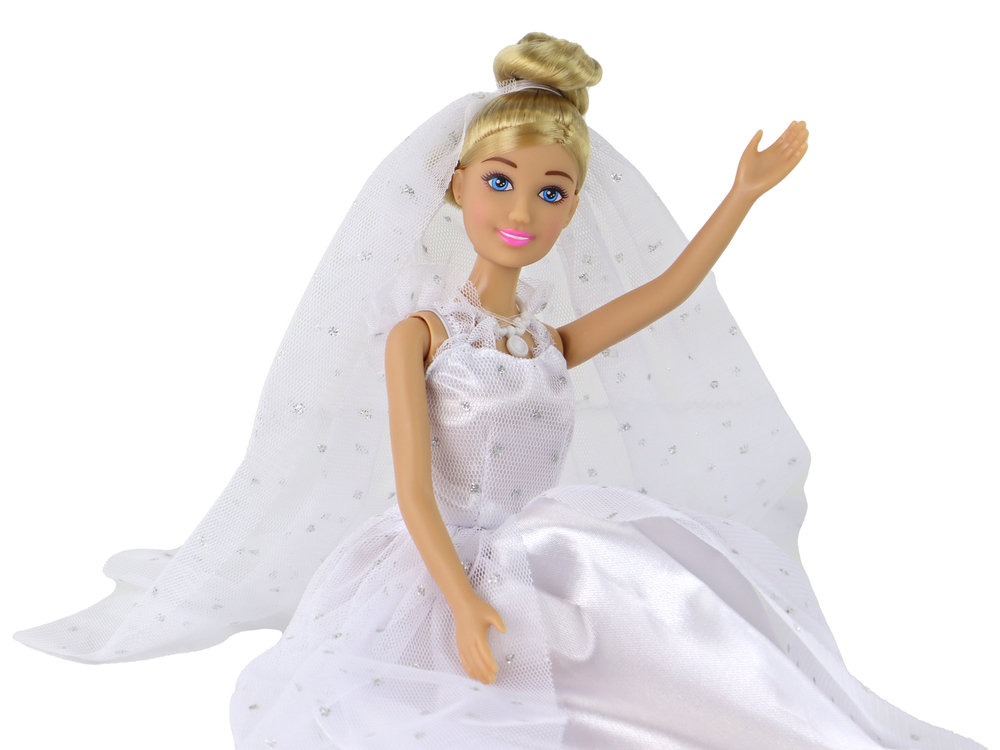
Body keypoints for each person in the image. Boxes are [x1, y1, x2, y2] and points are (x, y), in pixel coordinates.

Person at [15, 32, 985, 749]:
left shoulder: (544, 339)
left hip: (550, 543)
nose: (522, 211)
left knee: (680, 640)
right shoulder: (421, 333)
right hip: (439, 561)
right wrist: (461, 599)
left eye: (551, 191)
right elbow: (411, 490)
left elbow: (668, 291)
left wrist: (740, 195)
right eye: (501, 182)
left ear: (573, 207)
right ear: (457, 187)